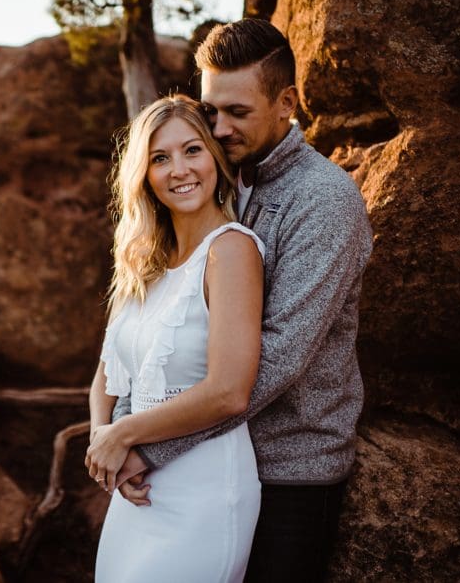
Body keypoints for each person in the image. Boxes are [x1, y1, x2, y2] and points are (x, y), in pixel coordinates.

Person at [107, 18, 374, 582]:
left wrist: (145, 443)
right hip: (201, 461)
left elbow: (275, 359)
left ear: (286, 103)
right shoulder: (224, 180)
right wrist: (122, 427)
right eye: (211, 112)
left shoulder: (324, 201)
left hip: (289, 472)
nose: (220, 129)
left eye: (238, 112)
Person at [86, 94, 267, 582]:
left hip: (204, 491)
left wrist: (123, 436)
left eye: (193, 150)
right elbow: (107, 374)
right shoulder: (143, 264)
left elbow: (229, 391)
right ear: (143, 175)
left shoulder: (231, 251)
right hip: (136, 489)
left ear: (214, 157)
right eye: (160, 158)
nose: (180, 169)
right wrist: (103, 438)